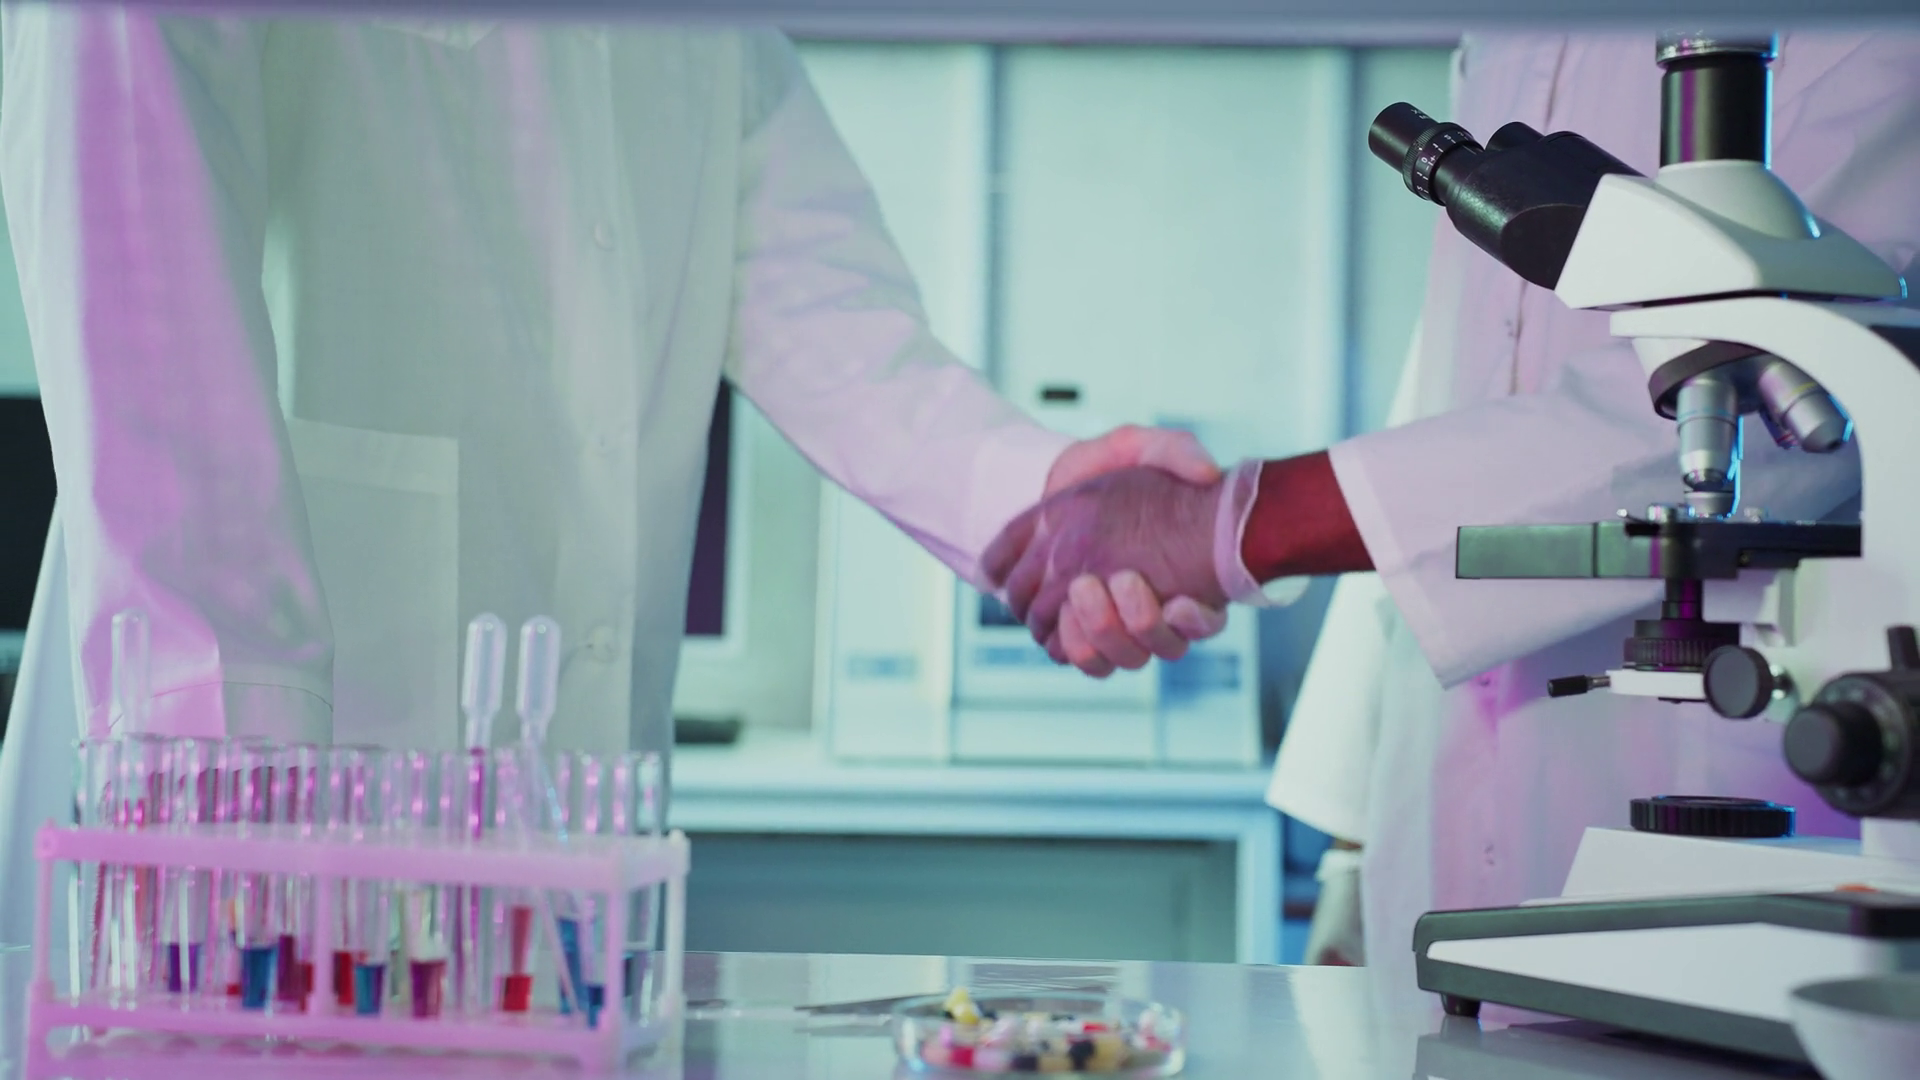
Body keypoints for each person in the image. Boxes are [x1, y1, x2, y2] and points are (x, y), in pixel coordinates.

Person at [0, 8, 1229, 942]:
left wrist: (1039, 498)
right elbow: (141, 305)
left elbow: (811, 287)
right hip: (248, 805)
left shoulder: (713, 34)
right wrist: (225, 800)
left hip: (569, 837)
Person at [988, 29, 1920, 990]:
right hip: (1434, 812)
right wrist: (1352, 830)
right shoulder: (1500, 35)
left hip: (1712, 774)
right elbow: (1443, 404)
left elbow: (1799, 381)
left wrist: (1233, 525)